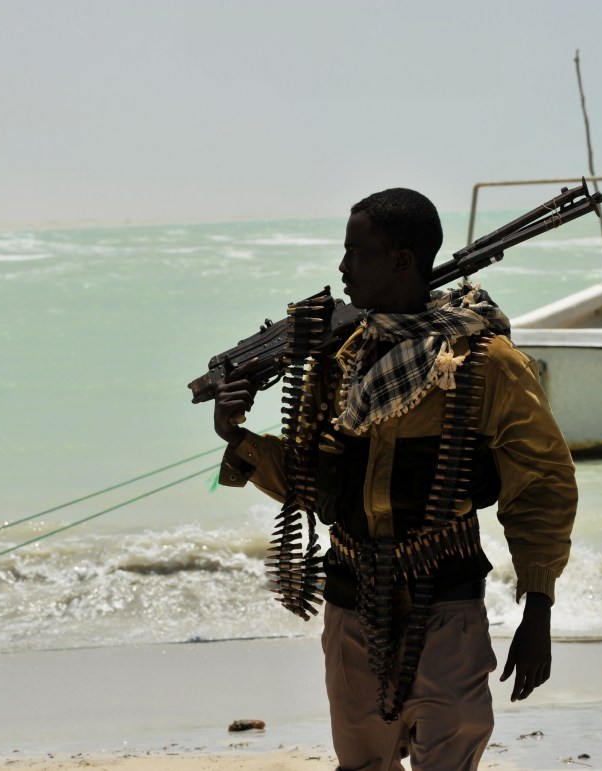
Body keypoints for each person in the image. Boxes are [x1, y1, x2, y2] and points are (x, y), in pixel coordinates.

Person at [212, 187, 577, 771]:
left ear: (402, 262)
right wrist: (237, 437)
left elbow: (541, 485)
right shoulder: (338, 359)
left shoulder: (486, 361)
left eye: (356, 253)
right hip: (352, 598)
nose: (342, 268)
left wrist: (540, 609)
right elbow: (312, 483)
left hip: (447, 599)